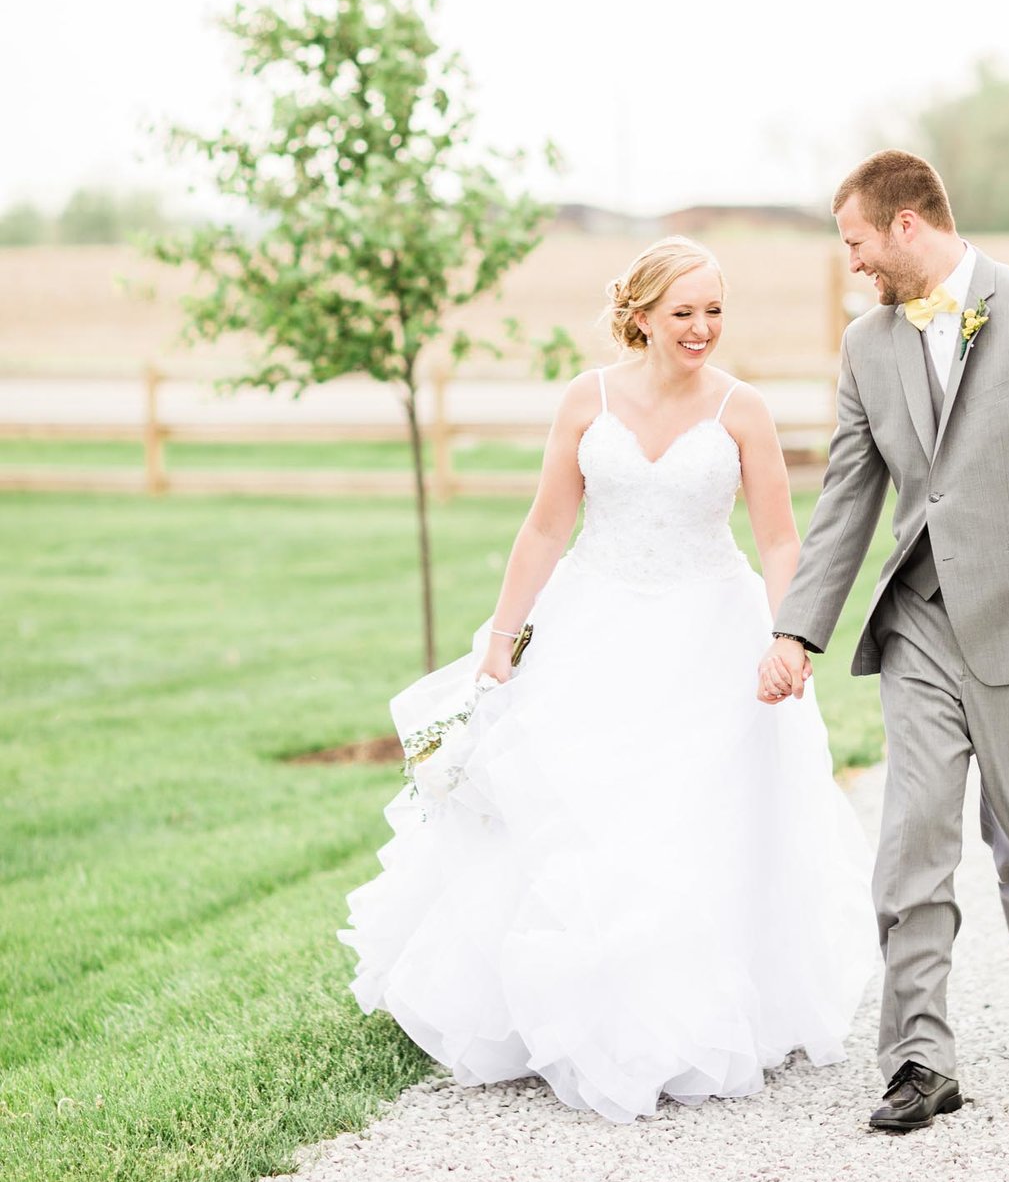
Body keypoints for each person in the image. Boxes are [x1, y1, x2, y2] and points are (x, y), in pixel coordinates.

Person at [341, 237, 876, 1124]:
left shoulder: (743, 411)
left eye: (714, 311)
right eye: (683, 312)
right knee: (573, 808)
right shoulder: (584, 401)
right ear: (641, 317)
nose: (702, 328)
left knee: (685, 820)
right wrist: (503, 635)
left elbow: (782, 538)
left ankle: (677, 1021)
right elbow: (547, 527)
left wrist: (791, 637)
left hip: (710, 630)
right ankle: (554, 1006)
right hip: (594, 623)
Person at [760, 151, 1009, 1134]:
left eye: (855, 243)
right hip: (920, 623)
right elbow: (845, 501)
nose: (852, 266)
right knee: (911, 837)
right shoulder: (866, 347)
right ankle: (920, 1055)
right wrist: (797, 629)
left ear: (906, 227)